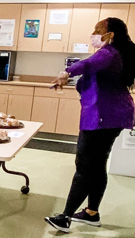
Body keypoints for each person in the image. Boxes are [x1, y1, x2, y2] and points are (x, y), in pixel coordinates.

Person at [45, 17, 135, 233]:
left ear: (110, 34)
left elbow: (86, 64)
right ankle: (91, 213)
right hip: (110, 115)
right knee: (97, 164)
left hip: (102, 117)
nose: (93, 33)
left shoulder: (110, 53)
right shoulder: (117, 54)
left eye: (98, 30)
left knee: (84, 165)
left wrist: (65, 72)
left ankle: (65, 217)